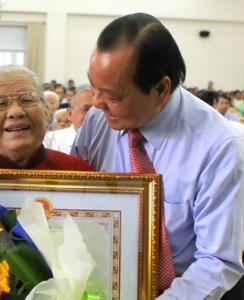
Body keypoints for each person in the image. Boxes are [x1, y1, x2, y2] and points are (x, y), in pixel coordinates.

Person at [73, 13, 244, 299]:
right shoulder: (97, 121)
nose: (96, 102)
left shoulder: (218, 148)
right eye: (93, 87)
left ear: (161, 89)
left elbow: (217, 262)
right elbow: (75, 198)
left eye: (113, 96)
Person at [0, 65, 94, 171]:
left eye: (27, 100)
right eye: (1, 103)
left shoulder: (79, 173)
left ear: (46, 112)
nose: (16, 112)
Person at [45, 84, 92, 154]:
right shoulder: (52, 141)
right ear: (70, 114)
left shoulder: (111, 141)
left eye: (99, 110)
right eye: (86, 109)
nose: (93, 116)